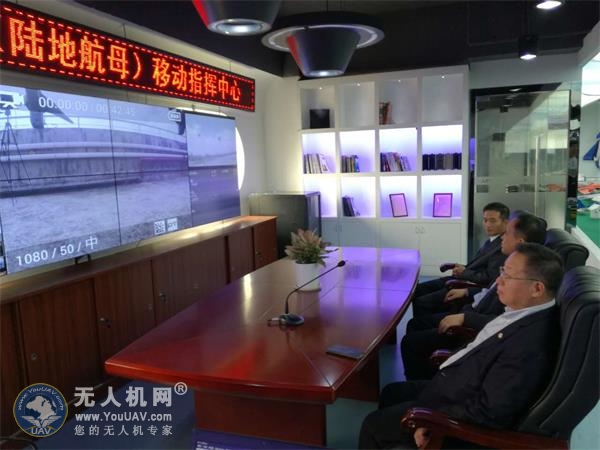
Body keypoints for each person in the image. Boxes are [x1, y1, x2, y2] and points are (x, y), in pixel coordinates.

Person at [359, 243, 564, 449]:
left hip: (453, 416)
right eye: (502, 271)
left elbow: (490, 411)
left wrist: (433, 420)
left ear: (537, 289)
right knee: (391, 393)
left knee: (373, 425)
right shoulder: (525, 313)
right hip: (455, 387)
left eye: (508, 276)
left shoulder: (528, 346)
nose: (498, 281)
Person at [401, 211, 547, 380]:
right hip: (472, 308)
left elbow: (503, 319)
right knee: (417, 317)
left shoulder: (523, 277)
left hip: (473, 327)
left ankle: (422, 384)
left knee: (411, 340)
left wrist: (466, 315)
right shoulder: (508, 259)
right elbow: (489, 289)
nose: (502, 236)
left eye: (506, 233)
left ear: (520, 243)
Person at [411, 202, 509, 317]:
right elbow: (479, 267)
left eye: (492, 221)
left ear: (505, 222)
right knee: (417, 290)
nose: (487, 225)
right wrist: (463, 268)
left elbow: (489, 278)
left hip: (467, 285)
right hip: (463, 278)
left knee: (421, 302)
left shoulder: (503, 247)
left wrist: (464, 272)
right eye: (485, 220)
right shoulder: (491, 241)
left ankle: (422, 325)